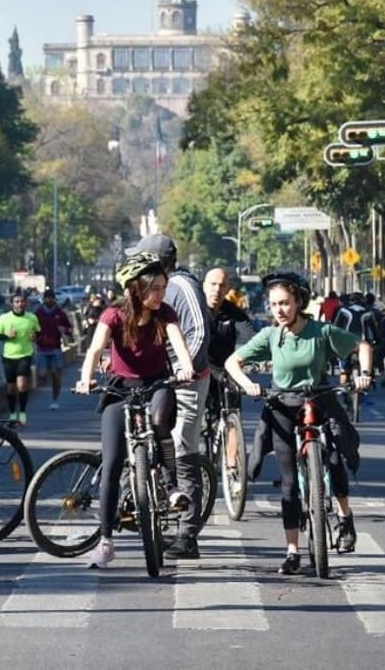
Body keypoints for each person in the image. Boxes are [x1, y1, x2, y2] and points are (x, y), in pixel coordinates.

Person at [224, 273, 372, 573]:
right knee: (289, 483)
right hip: (283, 404)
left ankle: (345, 518)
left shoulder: (322, 331)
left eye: (285, 303)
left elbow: (363, 346)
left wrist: (364, 373)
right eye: (274, 304)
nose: (279, 310)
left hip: (319, 398)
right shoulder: (269, 336)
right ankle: (292, 551)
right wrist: (248, 384)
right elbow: (232, 363)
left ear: (299, 303)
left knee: (334, 457)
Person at [76, 251, 195, 569]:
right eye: (154, 288)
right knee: (113, 463)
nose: (160, 295)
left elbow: (179, 344)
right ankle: (106, 542)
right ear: (136, 289)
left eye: (163, 287)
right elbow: (95, 349)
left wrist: (185, 367)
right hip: (119, 391)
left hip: (157, 384)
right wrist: (86, 378)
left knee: (159, 422)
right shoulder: (114, 315)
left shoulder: (165, 314)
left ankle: (171, 487)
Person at [126, 234, 211, 560]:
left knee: (182, 449)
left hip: (186, 382)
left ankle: (187, 536)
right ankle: (150, 507)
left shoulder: (182, 286)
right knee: (149, 442)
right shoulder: (148, 290)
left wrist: (181, 368)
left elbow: (199, 331)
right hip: (158, 380)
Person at [202, 267, 256, 492]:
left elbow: (252, 340)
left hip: (225, 372)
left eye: (222, 285)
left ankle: (233, 468)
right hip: (195, 372)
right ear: (204, 285)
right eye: (213, 284)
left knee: (232, 416)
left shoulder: (234, 313)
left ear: (228, 288)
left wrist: (260, 358)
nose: (217, 289)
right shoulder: (193, 309)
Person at [0, 291, 41, 424]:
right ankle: (13, 413)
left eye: (22, 301)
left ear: (26, 303)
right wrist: (7, 335)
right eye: (17, 302)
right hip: (8, 356)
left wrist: (34, 337)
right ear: (12, 304)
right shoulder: (4, 318)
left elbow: (38, 332)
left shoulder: (32, 318)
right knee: (11, 388)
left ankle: (23, 413)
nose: (20, 304)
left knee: (22, 385)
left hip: (25, 355)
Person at [35, 288, 73, 410]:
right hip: (42, 348)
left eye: (51, 298)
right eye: (47, 298)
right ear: (44, 299)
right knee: (42, 374)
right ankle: (45, 376)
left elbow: (70, 330)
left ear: (54, 299)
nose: (49, 300)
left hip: (56, 348)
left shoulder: (60, 313)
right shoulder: (38, 313)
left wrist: (65, 330)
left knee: (56, 374)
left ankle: (54, 399)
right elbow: (32, 328)